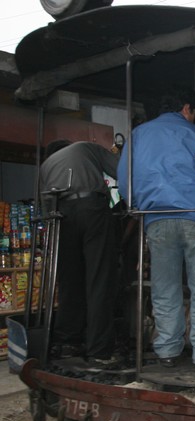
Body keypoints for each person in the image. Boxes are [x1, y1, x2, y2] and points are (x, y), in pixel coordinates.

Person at [118, 86, 195, 372]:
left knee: (165, 287)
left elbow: (124, 180)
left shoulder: (139, 134)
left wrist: (139, 204)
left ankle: (168, 350)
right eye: (193, 113)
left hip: (157, 218)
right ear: (186, 109)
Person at [40, 139, 120, 367]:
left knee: (69, 281)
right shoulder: (84, 147)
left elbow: (45, 209)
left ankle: (67, 343)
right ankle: (99, 351)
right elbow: (121, 169)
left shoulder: (46, 167)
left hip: (60, 216)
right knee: (99, 279)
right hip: (91, 208)